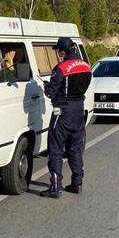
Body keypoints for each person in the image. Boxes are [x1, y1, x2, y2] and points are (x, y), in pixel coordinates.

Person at [40, 37, 92, 199]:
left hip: (62, 111)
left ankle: (55, 187)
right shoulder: (86, 66)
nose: (58, 53)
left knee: (55, 149)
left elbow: (51, 92)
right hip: (79, 110)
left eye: (58, 51)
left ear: (63, 51)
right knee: (75, 149)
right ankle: (77, 183)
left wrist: (46, 86)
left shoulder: (61, 68)